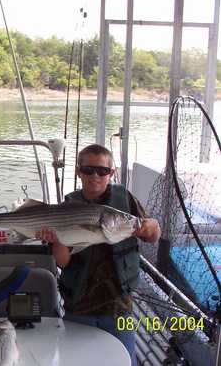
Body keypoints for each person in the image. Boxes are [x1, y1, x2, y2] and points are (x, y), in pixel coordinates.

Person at [36, 144, 160, 366]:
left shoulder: (124, 201)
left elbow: (152, 234)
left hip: (119, 307)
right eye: (88, 170)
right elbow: (63, 262)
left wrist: (151, 227)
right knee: (77, 362)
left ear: (111, 173)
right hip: (79, 306)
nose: (95, 176)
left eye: (102, 171)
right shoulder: (67, 207)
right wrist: (57, 240)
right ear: (78, 172)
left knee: (124, 361)